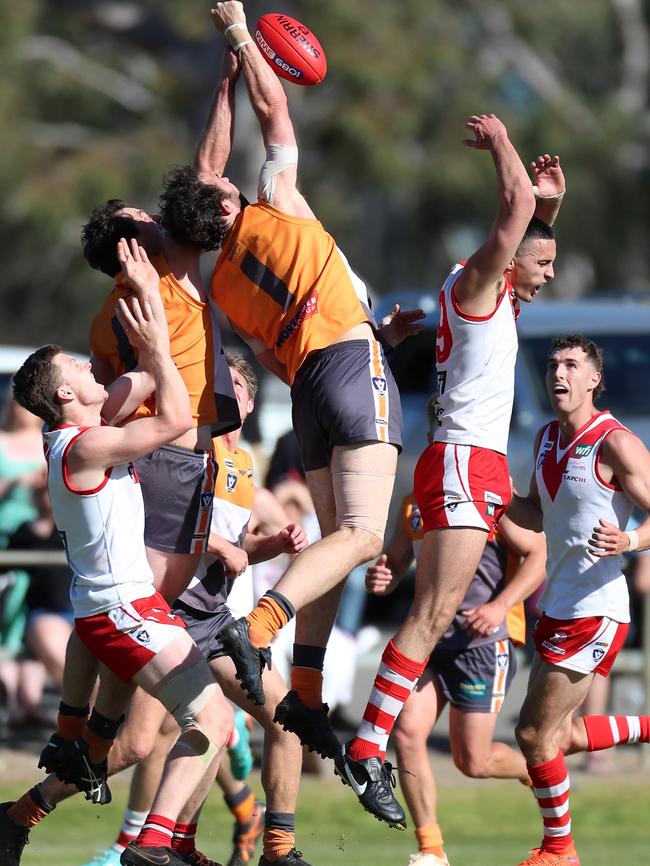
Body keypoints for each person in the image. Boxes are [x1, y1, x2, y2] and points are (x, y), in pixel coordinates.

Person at [159, 1, 423, 759]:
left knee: (338, 543)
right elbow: (274, 106)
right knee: (366, 535)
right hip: (348, 363)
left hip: (308, 388)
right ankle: (265, 627)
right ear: (224, 202)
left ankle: (304, 692)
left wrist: (365, 331)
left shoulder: (223, 288)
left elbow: (275, 360)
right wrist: (241, 35)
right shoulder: (274, 201)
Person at [335, 116, 565, 827]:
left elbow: (527, 232)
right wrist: (504, 147)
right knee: (431, 613)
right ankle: (368, 747)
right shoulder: (477, 284)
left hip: (476, 462)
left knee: (562, 531)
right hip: (465, 460)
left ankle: (573, 652)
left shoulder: (491, 293)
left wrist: (548, 209)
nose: (550, 274)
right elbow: (514, 220)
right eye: (544, 264)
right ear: (508, 263)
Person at [0, 241, 235, 866]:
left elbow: (150, 380)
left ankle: (24, 810)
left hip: (108, 615)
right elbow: (177, 413)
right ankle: (153, 846)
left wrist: (146, 296)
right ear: (66, 399)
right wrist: (157, 333)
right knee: (213, 724)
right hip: (128, 613)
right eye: (76, 368)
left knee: (116, 746)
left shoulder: (75, 433)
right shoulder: (85, 446)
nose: (88, 366)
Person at [83, 353, 313, 866]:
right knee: (139, 742)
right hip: (165, 612)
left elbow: (238, 545)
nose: (226, 395)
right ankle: (34, 809)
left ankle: (272, 848)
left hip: (216, 623)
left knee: (282, 719)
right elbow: (158, 524)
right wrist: (217, 546)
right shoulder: (187, 446)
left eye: (235, 387)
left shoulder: (245, 465)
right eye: (218, 385)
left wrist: (271, 543)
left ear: (250, 404)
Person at [81, 45, 242, 608]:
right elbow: (209, 171)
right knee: (153, 613)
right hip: (172, 457)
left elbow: (100, 404)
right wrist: (226, 85)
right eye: (141, 219)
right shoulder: (169, 267)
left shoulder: (103, 317)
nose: (154, 216)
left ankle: (93, 701)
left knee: (144, 610)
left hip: (155, 454)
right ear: (130, 245)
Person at [507, 333, 650, 866]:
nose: (558, 374)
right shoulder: (545, 438)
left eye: (571, 365)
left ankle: (560, 850)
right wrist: (485, 495)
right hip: (557, 607)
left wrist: (631, 541)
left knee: (533, 734)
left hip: (597, 609)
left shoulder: (615, 442)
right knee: (557, 734)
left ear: (594, 379)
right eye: (551, 365)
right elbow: (536, 518)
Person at [366, 483, 546, 866]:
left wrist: (500, 606)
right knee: (408, 731)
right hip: (429, 643)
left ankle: (542, 766)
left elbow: (538, 556)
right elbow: (396, 558)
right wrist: (386, 576)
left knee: (473, 762)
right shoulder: (414, 501)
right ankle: (431, 852)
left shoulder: (491, 492)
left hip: (481, 645)